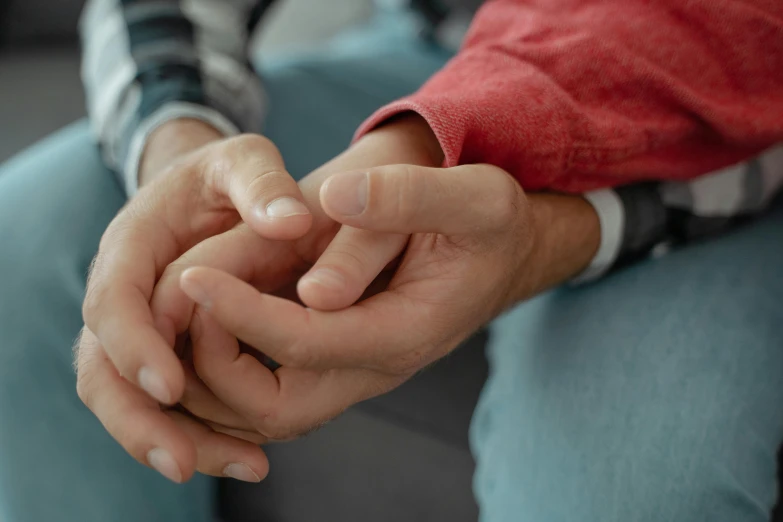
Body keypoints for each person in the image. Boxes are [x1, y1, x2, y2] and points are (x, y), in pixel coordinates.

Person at [0, 0, 782, 521]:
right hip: (441, 46)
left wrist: (559, 229)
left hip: (721, 87)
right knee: (26, 246)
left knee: (638, 487)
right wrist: (177, 144)